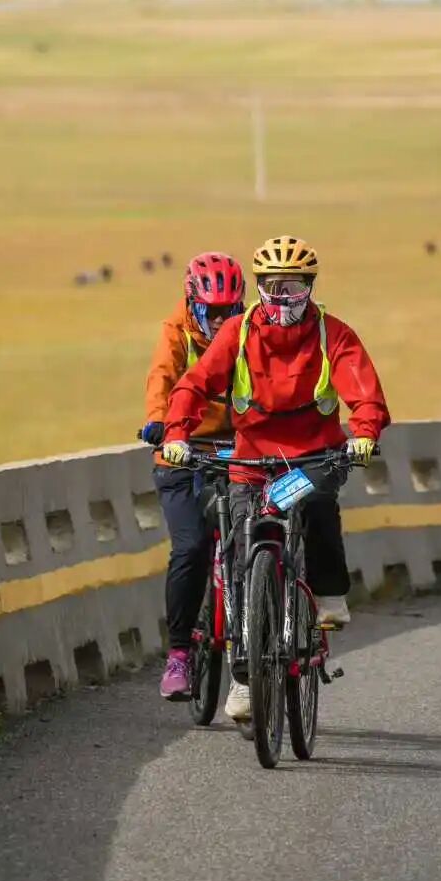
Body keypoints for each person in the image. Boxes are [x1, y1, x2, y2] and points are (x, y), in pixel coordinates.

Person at [162, 234, 390, 722]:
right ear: (259, 288)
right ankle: (245, 680)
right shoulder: (239, 332)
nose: (282, 298)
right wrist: (177, 434)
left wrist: (364, 432)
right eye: (272, 287)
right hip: (251, 460)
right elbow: (194, 384)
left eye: (293, 287)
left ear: (310, 288)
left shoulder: (334, 333)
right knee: (243, 560)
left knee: (317, 502)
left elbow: (365, 392)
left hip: (310, 459)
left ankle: (328, 593)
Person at [142, 251, 246, 701]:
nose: (223, 321)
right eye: (213, 312)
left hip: (240, 451)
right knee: (191, 547)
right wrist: (161, 428)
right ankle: (180, 654)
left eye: (231, 311)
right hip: (182, 453)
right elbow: (161, 381)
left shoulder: (251, 333)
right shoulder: (176, 333)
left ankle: (256, 632)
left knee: (253, 540)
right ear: (193, 303)